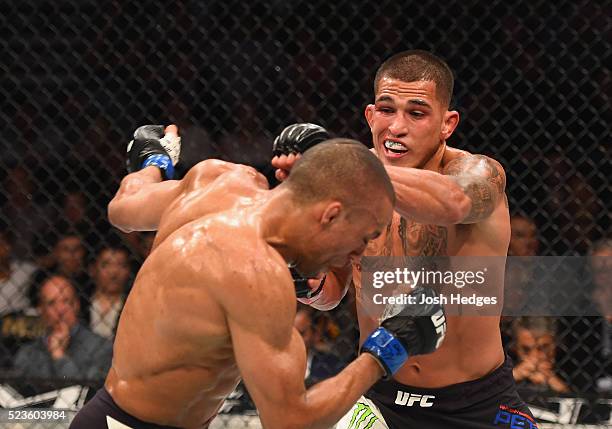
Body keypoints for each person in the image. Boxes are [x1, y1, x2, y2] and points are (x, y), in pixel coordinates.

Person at [69, 125, 446, 429]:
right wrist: (389, 347)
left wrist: (152, 162)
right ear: (330, 215)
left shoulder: (220, 180)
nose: (359, 253)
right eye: (363, 237)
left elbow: (123, 209)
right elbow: (290, 421)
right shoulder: (256, 274)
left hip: (110, 414)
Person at [272, 50, 537, 428]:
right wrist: (303, 278)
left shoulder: (479, 172)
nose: (396, 127)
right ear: (369, 115)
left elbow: (455, 202)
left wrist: (347, 169)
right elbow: (331, 293)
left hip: (475, 405)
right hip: (380, 399)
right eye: (386, 109)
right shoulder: (349, 180)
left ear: (447, 124)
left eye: (416, 113)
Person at [13, 275, 112, 381]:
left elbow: (87, 392)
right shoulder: (27, 354)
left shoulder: (101, 348)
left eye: (66, 301)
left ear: (76, 305)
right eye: (51, 303)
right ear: (41, 309)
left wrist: (59, 355)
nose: (60, 310)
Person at [512, 317, 570, 393]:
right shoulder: (503, 365)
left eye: (543, 348)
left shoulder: (571, 364)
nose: (535, 357)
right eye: (526, 350)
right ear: (514, 348)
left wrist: (552, 380)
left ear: (556, 344)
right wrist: (514, 375)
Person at [294, 308, 344, 386]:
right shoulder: (281, 360)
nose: (295, 339)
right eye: (292, 333)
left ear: (316, 333)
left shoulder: (331, 364)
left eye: (302, 333)